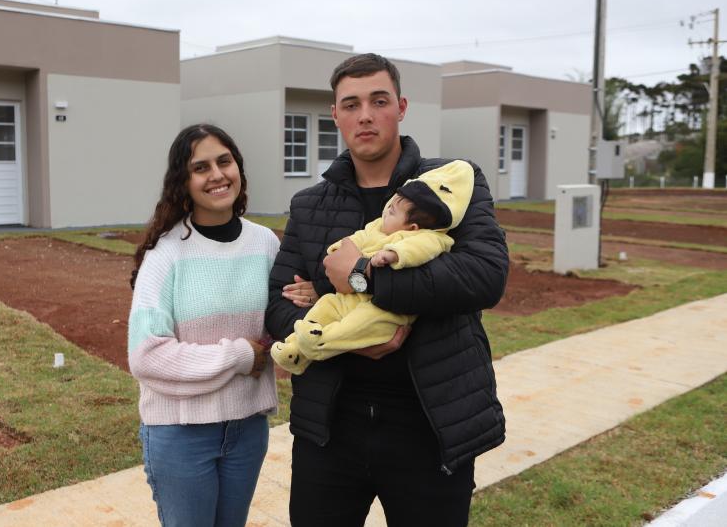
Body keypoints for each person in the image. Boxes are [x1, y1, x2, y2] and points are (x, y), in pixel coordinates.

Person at [265, 54, 508, 526]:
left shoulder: (450, 186)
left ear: (401, 107)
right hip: (329, 427)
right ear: (335, 115)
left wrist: (360, 278)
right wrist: (341, 334)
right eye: (351, 104)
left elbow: (484, 275)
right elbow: (278, 304)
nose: (366, 115)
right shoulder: (310, 205)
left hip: (429, 424)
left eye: (379, 101)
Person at [128, 124, 279, 527]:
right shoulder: (166, 255)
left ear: (239, 169)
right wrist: (240, 355)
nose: (216, 174)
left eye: (224, 161)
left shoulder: (265, 243)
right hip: (180, 435)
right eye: (201, 167)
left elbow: (280, 320)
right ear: (184, 182)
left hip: (247, 428)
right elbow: (146, 355)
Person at [270, 159, 474, 375]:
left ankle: (324, 342)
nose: (386, 212)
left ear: (412, 226)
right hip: (348, 302)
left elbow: (419, 249)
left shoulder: (428, 237)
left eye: (393, 212)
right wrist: (338, 249)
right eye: (391, 206)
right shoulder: (377, 225)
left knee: (362, 322)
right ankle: (296, 350)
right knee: (327, 305)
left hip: (383, 309)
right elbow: (359, 238)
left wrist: (392, 255)